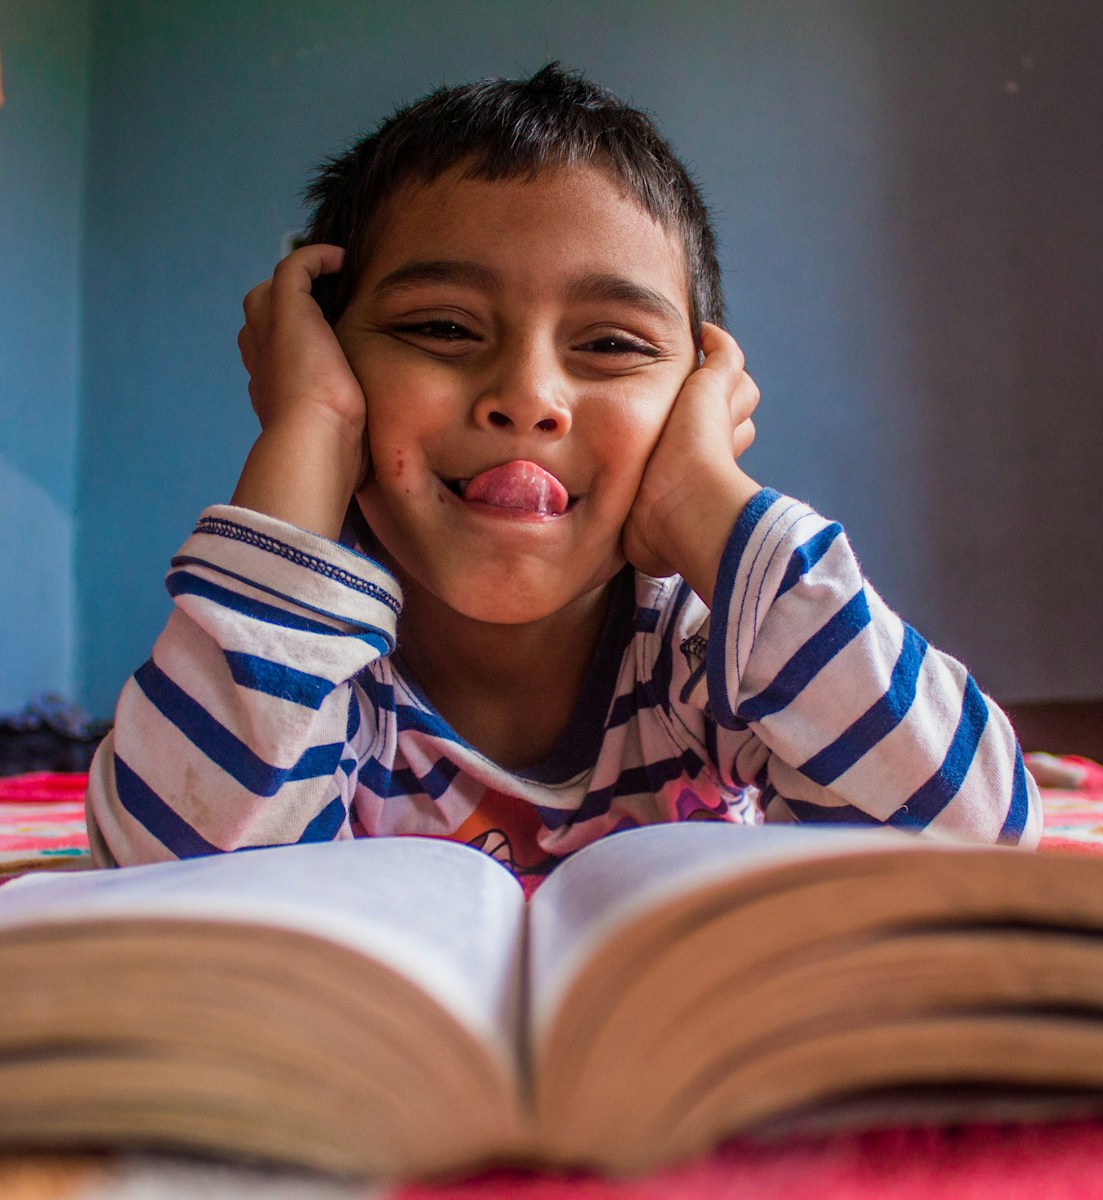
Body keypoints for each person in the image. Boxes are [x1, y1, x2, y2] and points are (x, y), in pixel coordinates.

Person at [85, 64, 1041, 881]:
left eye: (613, 344)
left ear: (703, 391)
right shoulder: (301, 660)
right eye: (440, 328)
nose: (527, 395)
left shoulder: (713, 650)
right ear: (329, 362)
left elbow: (979, 837)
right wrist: (304, 435)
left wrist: (703, 501)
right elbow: (165, 877)